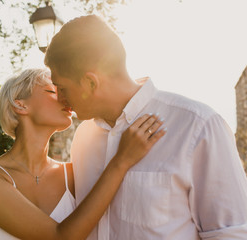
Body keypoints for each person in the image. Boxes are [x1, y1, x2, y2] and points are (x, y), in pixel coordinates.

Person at [44, 14, 247, 239]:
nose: (59, 98)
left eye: (61, 87)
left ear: (91, 83)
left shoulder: (197, 126)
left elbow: (231, 234)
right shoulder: (83, 137)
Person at [0, 68, 165, 239]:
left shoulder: (74, 174)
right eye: (52, 91)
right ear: (20, 104)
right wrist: (121, 162)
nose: (65, 99)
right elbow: (60, 237)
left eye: (64, 90)